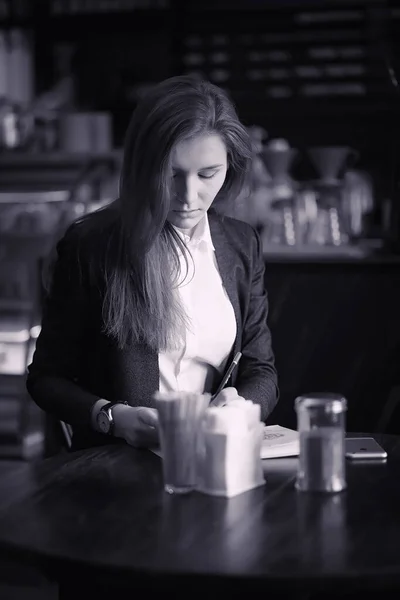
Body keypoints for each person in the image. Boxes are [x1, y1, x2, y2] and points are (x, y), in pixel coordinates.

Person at [26, 75, 279, 452]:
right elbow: (46, 379)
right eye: (171, 175)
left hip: (213, 463)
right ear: (144, 167)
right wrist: (112, 417)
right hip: (114, 476)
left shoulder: (242, 244)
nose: (189, 196)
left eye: (208, 174)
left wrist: (241, 406)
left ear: (230, 167)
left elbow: (262, 370)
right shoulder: (92, 246)